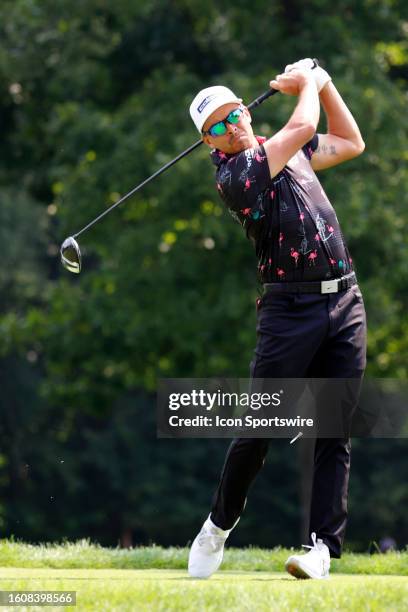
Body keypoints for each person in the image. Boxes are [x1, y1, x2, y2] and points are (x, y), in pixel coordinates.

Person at [187, 58, 367, 580]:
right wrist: (309, 79)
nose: (231, 125)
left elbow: (350, 141)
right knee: (261, 428)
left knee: (334, 426)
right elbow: (304, 125)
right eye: (216, 126)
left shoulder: (281, 148)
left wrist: (326, 82)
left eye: (234, 112)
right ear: (209, 144)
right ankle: (219, 525)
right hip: (290, 311)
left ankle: (322, 550)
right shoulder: (237, 175)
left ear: (245, 110)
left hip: (345, 301)